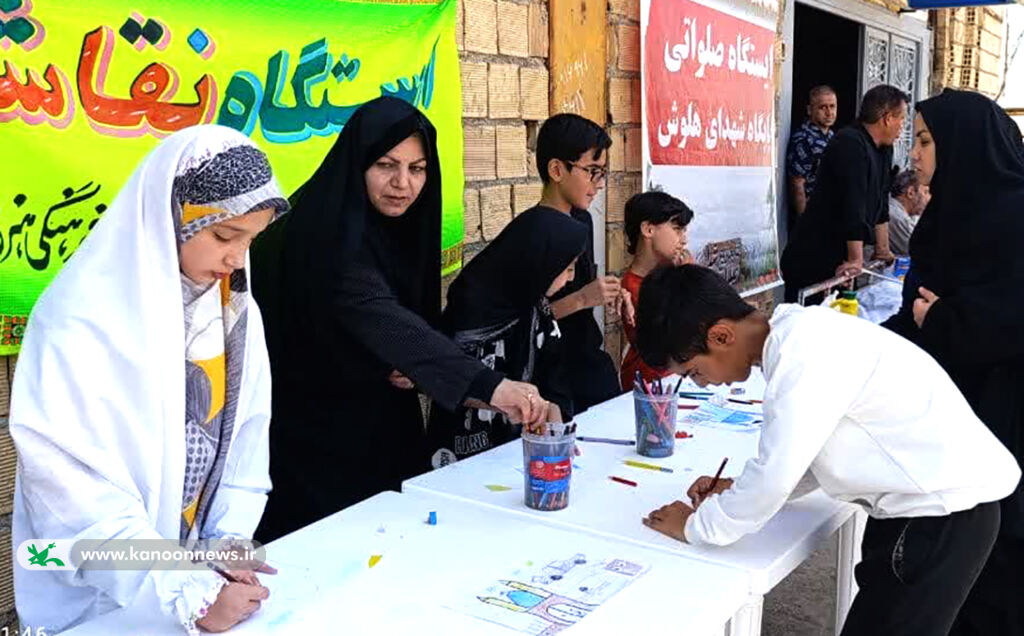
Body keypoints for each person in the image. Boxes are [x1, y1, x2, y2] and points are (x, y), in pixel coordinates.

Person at [635, 265, 1020, 636]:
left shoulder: (802, 352)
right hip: (935, 511)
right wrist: (737, 489)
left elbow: (775, 477)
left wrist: (694, 526)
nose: (702, 384)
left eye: (694, 372)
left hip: (937, 519)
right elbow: (806, 451)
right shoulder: (802, 332)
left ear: (721, 336)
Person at [11, 126, 288, 634]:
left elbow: (246, 439)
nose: (236, 259)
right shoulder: (79, 322)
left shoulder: (232, 310)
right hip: (96, 604)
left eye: (250, 240)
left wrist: (225, 547)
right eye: (224, 236)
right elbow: (73, 495)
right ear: (171, 216)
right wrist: (185, 595)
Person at [250, 97, 548, 543]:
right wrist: (492, 387)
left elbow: (400, 326)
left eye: (417, 169)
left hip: (375, 421)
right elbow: (380, 315)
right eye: (386, 165)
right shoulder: (324, 234)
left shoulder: (386, 226)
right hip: (313, 435)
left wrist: (412, 363)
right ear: (358, 163)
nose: (402, 184)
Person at [882, 89, 1024, 635]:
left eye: (924, 141)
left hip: (1004, 416)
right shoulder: (948, 214)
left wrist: (946, 320)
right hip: (950, 416)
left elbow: (1006, 317)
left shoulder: (1014, 216)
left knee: (997, 573)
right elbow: (915, 309)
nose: (914, 155)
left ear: (964, 144)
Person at [425, 208, 588, 466]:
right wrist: (501, 396)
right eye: (567, 268)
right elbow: (445, 377)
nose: (572, 277)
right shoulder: (472, 306)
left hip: (518, 447)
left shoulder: (536, 307)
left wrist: (556, 430)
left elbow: (553, 373)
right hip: (464, 450)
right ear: (539, 262)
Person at [528, 113, 629, 415]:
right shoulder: (533, 233)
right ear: (557, 170)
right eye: (592, 172)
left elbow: (585, 284)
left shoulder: (582, 220)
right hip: (551, 375)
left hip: (589, 360)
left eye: (603, 173)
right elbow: (525, 324)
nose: (600, 184)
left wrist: (612, 293)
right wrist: (583, 299)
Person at [781, 85, 906, 302]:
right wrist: (856, 259)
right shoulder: (849, 143)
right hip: (814, 256)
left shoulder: (885, 148)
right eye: (901, 119)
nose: (902, 127)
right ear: (887, 118)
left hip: (841, 259)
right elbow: (852, 203)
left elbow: (881, 201)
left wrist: (883, 249)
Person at [619, 191, 694, 390]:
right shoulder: (632, 288)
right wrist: (687, 281)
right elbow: (679, 334)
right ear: (648, 229)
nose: (684, 240)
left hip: (680, 378)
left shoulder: (673, 272)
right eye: (677, 229)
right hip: (651, 385)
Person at [786, 85, 838, 217]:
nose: (829, 112)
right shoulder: (804, 139)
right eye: (823, 107)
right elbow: (797, 184)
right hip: (813, 213)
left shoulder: (832, 136)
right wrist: (804, 222)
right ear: (810, 110)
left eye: (832, 106)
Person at [887, 169, 930, 256]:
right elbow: (922, 252)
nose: (929, 198)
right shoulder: (896, 216)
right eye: (926, 192)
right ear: (911, 193)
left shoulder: (900, 213)